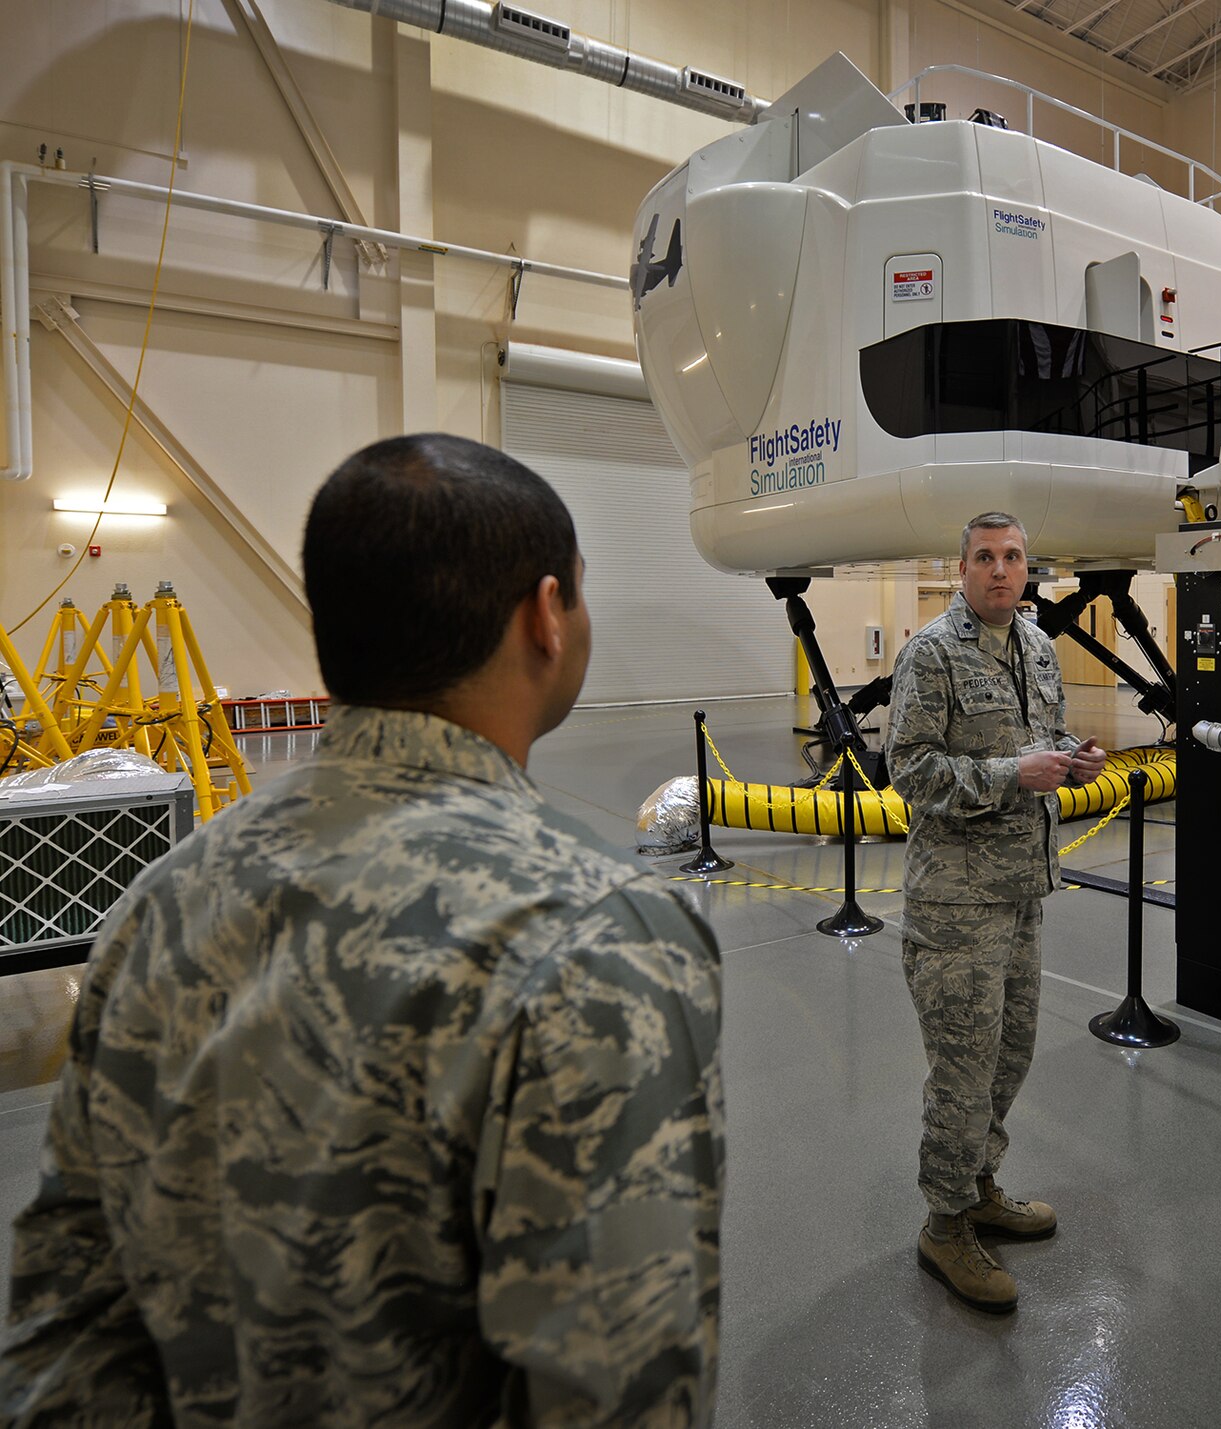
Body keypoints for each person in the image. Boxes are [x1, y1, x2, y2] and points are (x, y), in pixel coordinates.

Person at [1, 434, 724, 1427]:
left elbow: (67, 1309)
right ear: (545, 617)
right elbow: (620, 1389)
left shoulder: (163, 900)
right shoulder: (599, 934)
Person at [885, 511, 1108, 1313]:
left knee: (1009, 1056)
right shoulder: (932, 654)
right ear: (963, 567)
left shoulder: (1038, 648)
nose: (1001, 571)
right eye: (985, 557)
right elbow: (908, 771)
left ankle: (980, 1185)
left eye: (1013, 557)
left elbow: (1035, 739)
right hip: (954, 903)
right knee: (962, 1069)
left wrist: (1070, 760)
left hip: (1020, 894)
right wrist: (1015, 774)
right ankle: (944, 1225)